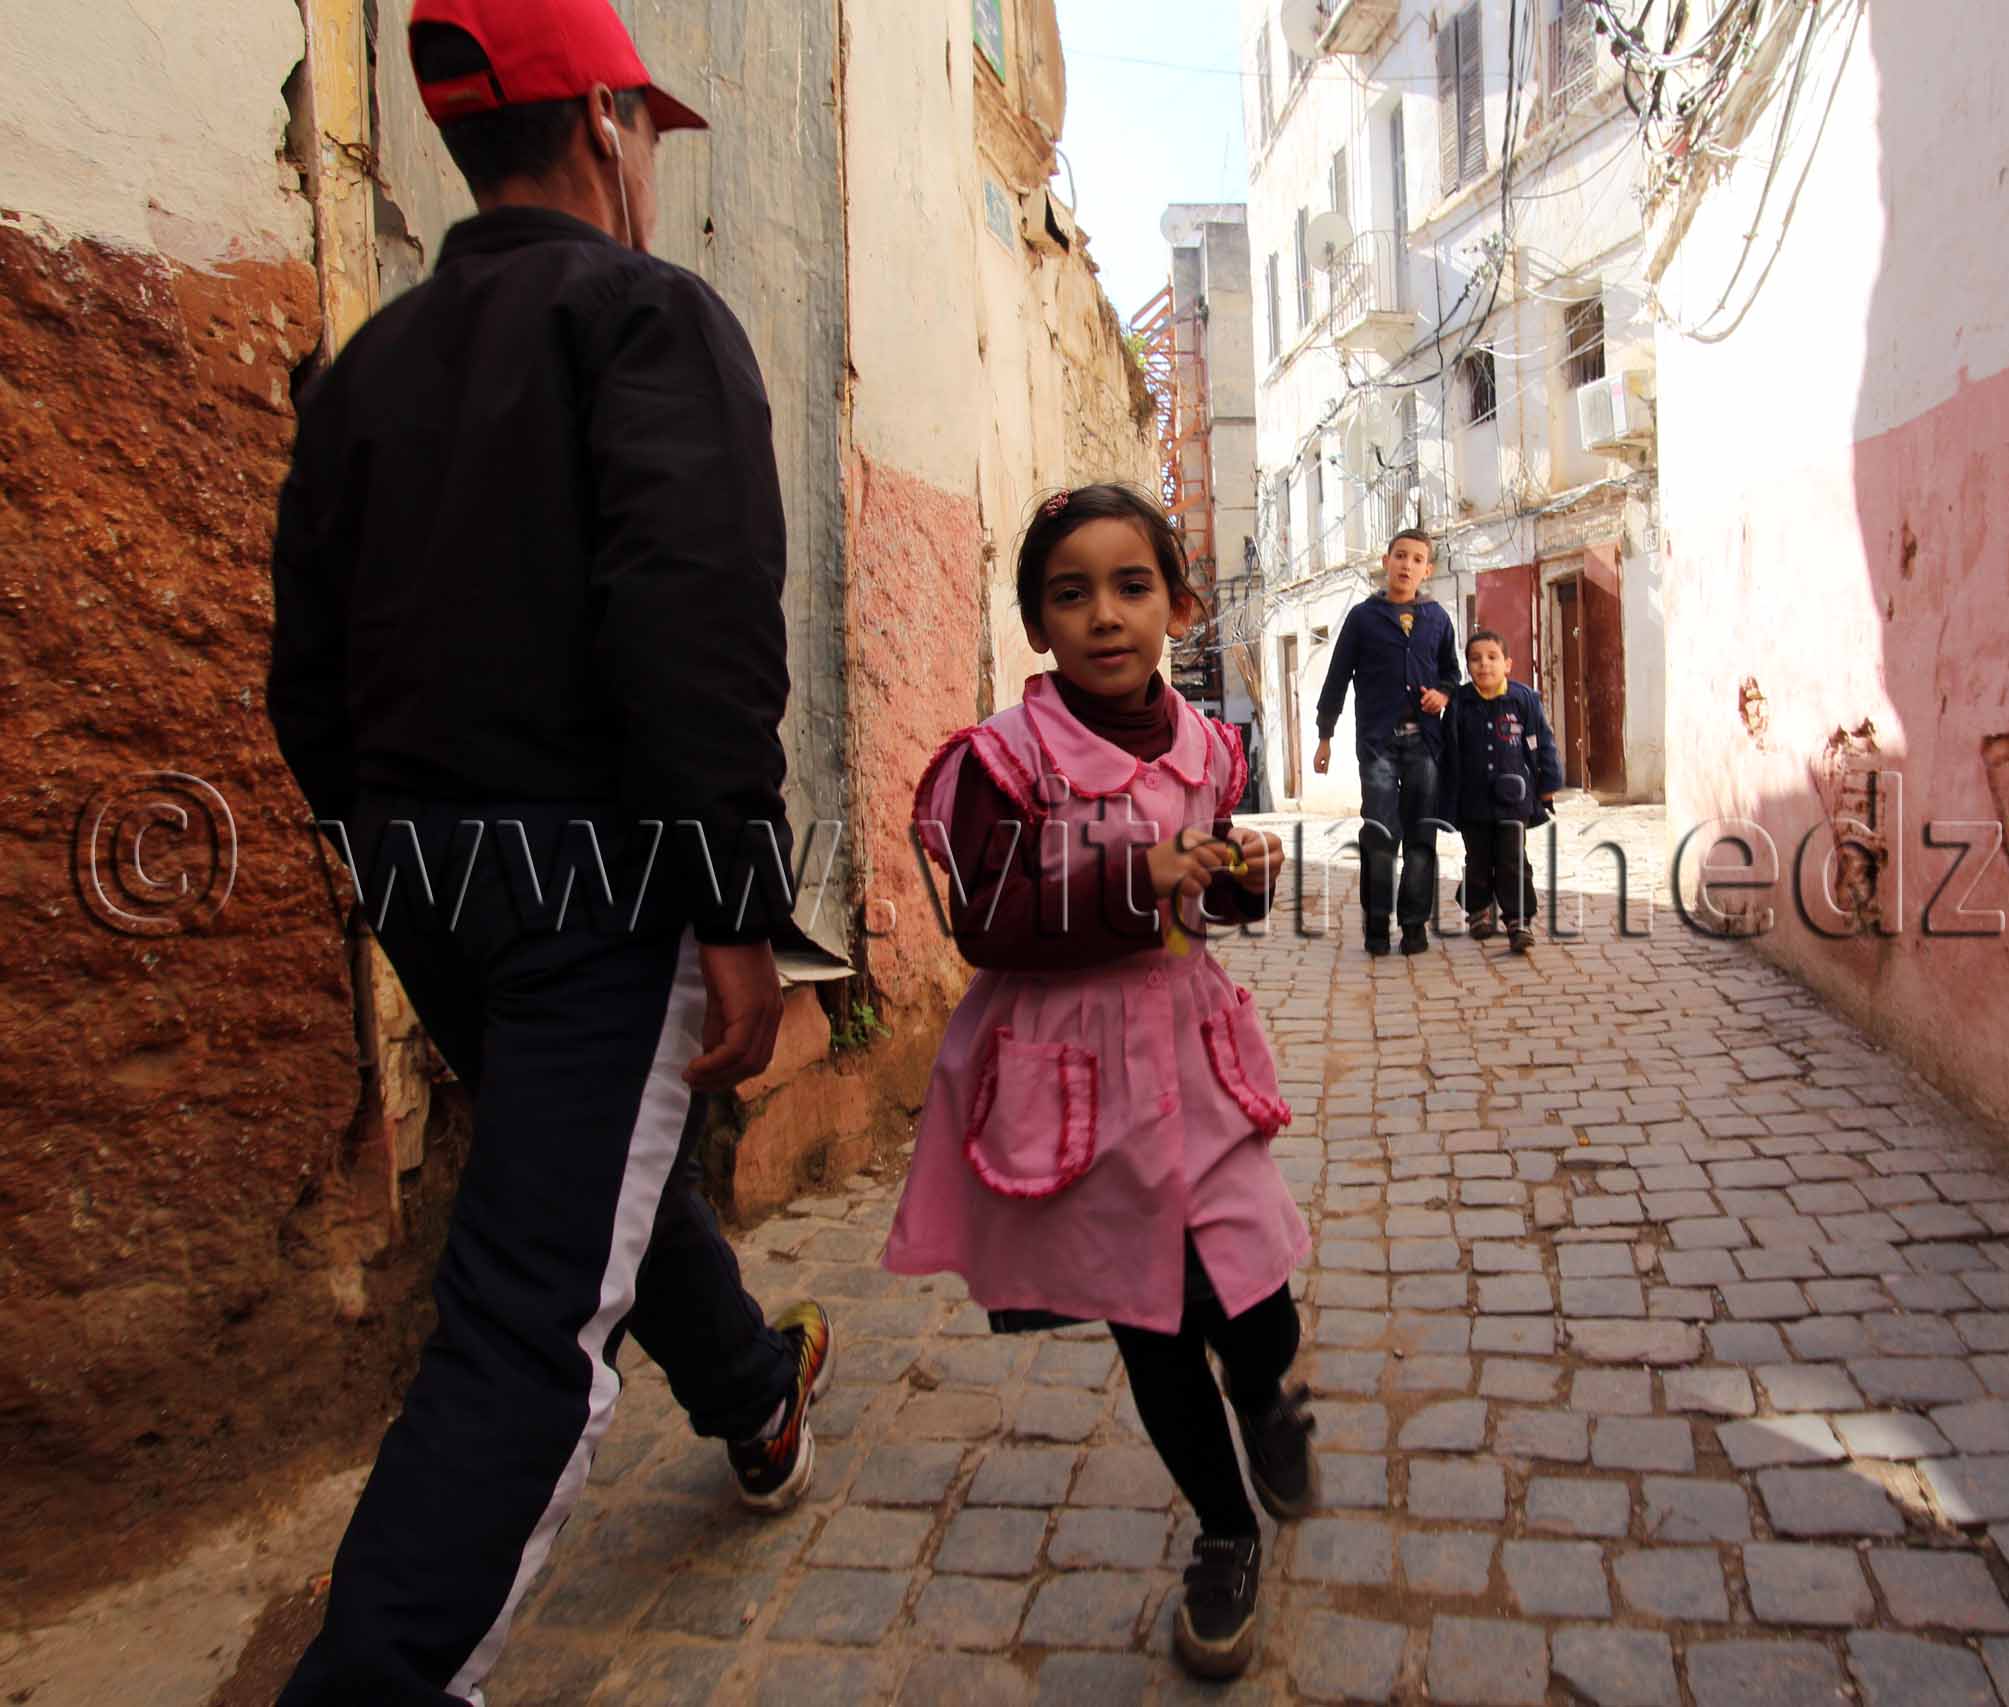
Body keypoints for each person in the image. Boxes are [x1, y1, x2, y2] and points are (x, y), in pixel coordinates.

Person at [265, 3, 828, 1699]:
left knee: (570, 1181)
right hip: (606, 884)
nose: (652, 160)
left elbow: (306, 676)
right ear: (600, 121)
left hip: (426, 879)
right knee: (526, 1326)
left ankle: (752, 1388)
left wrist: (389, 848)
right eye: (648, 129)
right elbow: (690, 629)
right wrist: (734, 909)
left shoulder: (368, 366)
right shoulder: (649, 315)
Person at [891, 484, 1315, 1682]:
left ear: (1177, 603)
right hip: (1074, 1080)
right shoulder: (999, 762)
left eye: (1131, 586)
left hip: (1191, 1052)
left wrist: (1234, 872)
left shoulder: (1208, 744)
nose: (1104, 616)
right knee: (1154, 1322)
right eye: (1068, 594)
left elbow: (1210, 895)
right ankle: (1226, 1533)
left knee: (1257, 1296)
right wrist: (1137, 874)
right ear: (1036, 623)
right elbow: (985, 924)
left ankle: (1268, 1390)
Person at [1312, 528, 1462, 956]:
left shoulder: (1438, 619)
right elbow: (1337, 677)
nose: (1407, 565)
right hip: (1378, 744)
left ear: (1427, 570)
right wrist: (1326, 736)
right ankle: (1377, 924)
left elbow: (1451, 672)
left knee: (1421, 835)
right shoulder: (1363, 618)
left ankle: (1414, 925)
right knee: (1379, 832)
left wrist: (1445, 693)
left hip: (1425, 745)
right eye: (1400, 556)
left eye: (1417, 559)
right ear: (1386, 561)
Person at [1438, 627, 1565, 953]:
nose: (1484, 665)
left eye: (1492, 658)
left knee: (1511, 859)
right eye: (1476, 659)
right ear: (1468, 666)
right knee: (1478, 858)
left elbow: (1542, 743)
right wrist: (1445, 797)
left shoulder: (1524, 700)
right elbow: (1448, 751)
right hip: (1473, 800)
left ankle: (1518, 920)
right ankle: (1478, 910)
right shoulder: (1459, 704)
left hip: (1514, 799)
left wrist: (1548, 784)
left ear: (1507, 663)